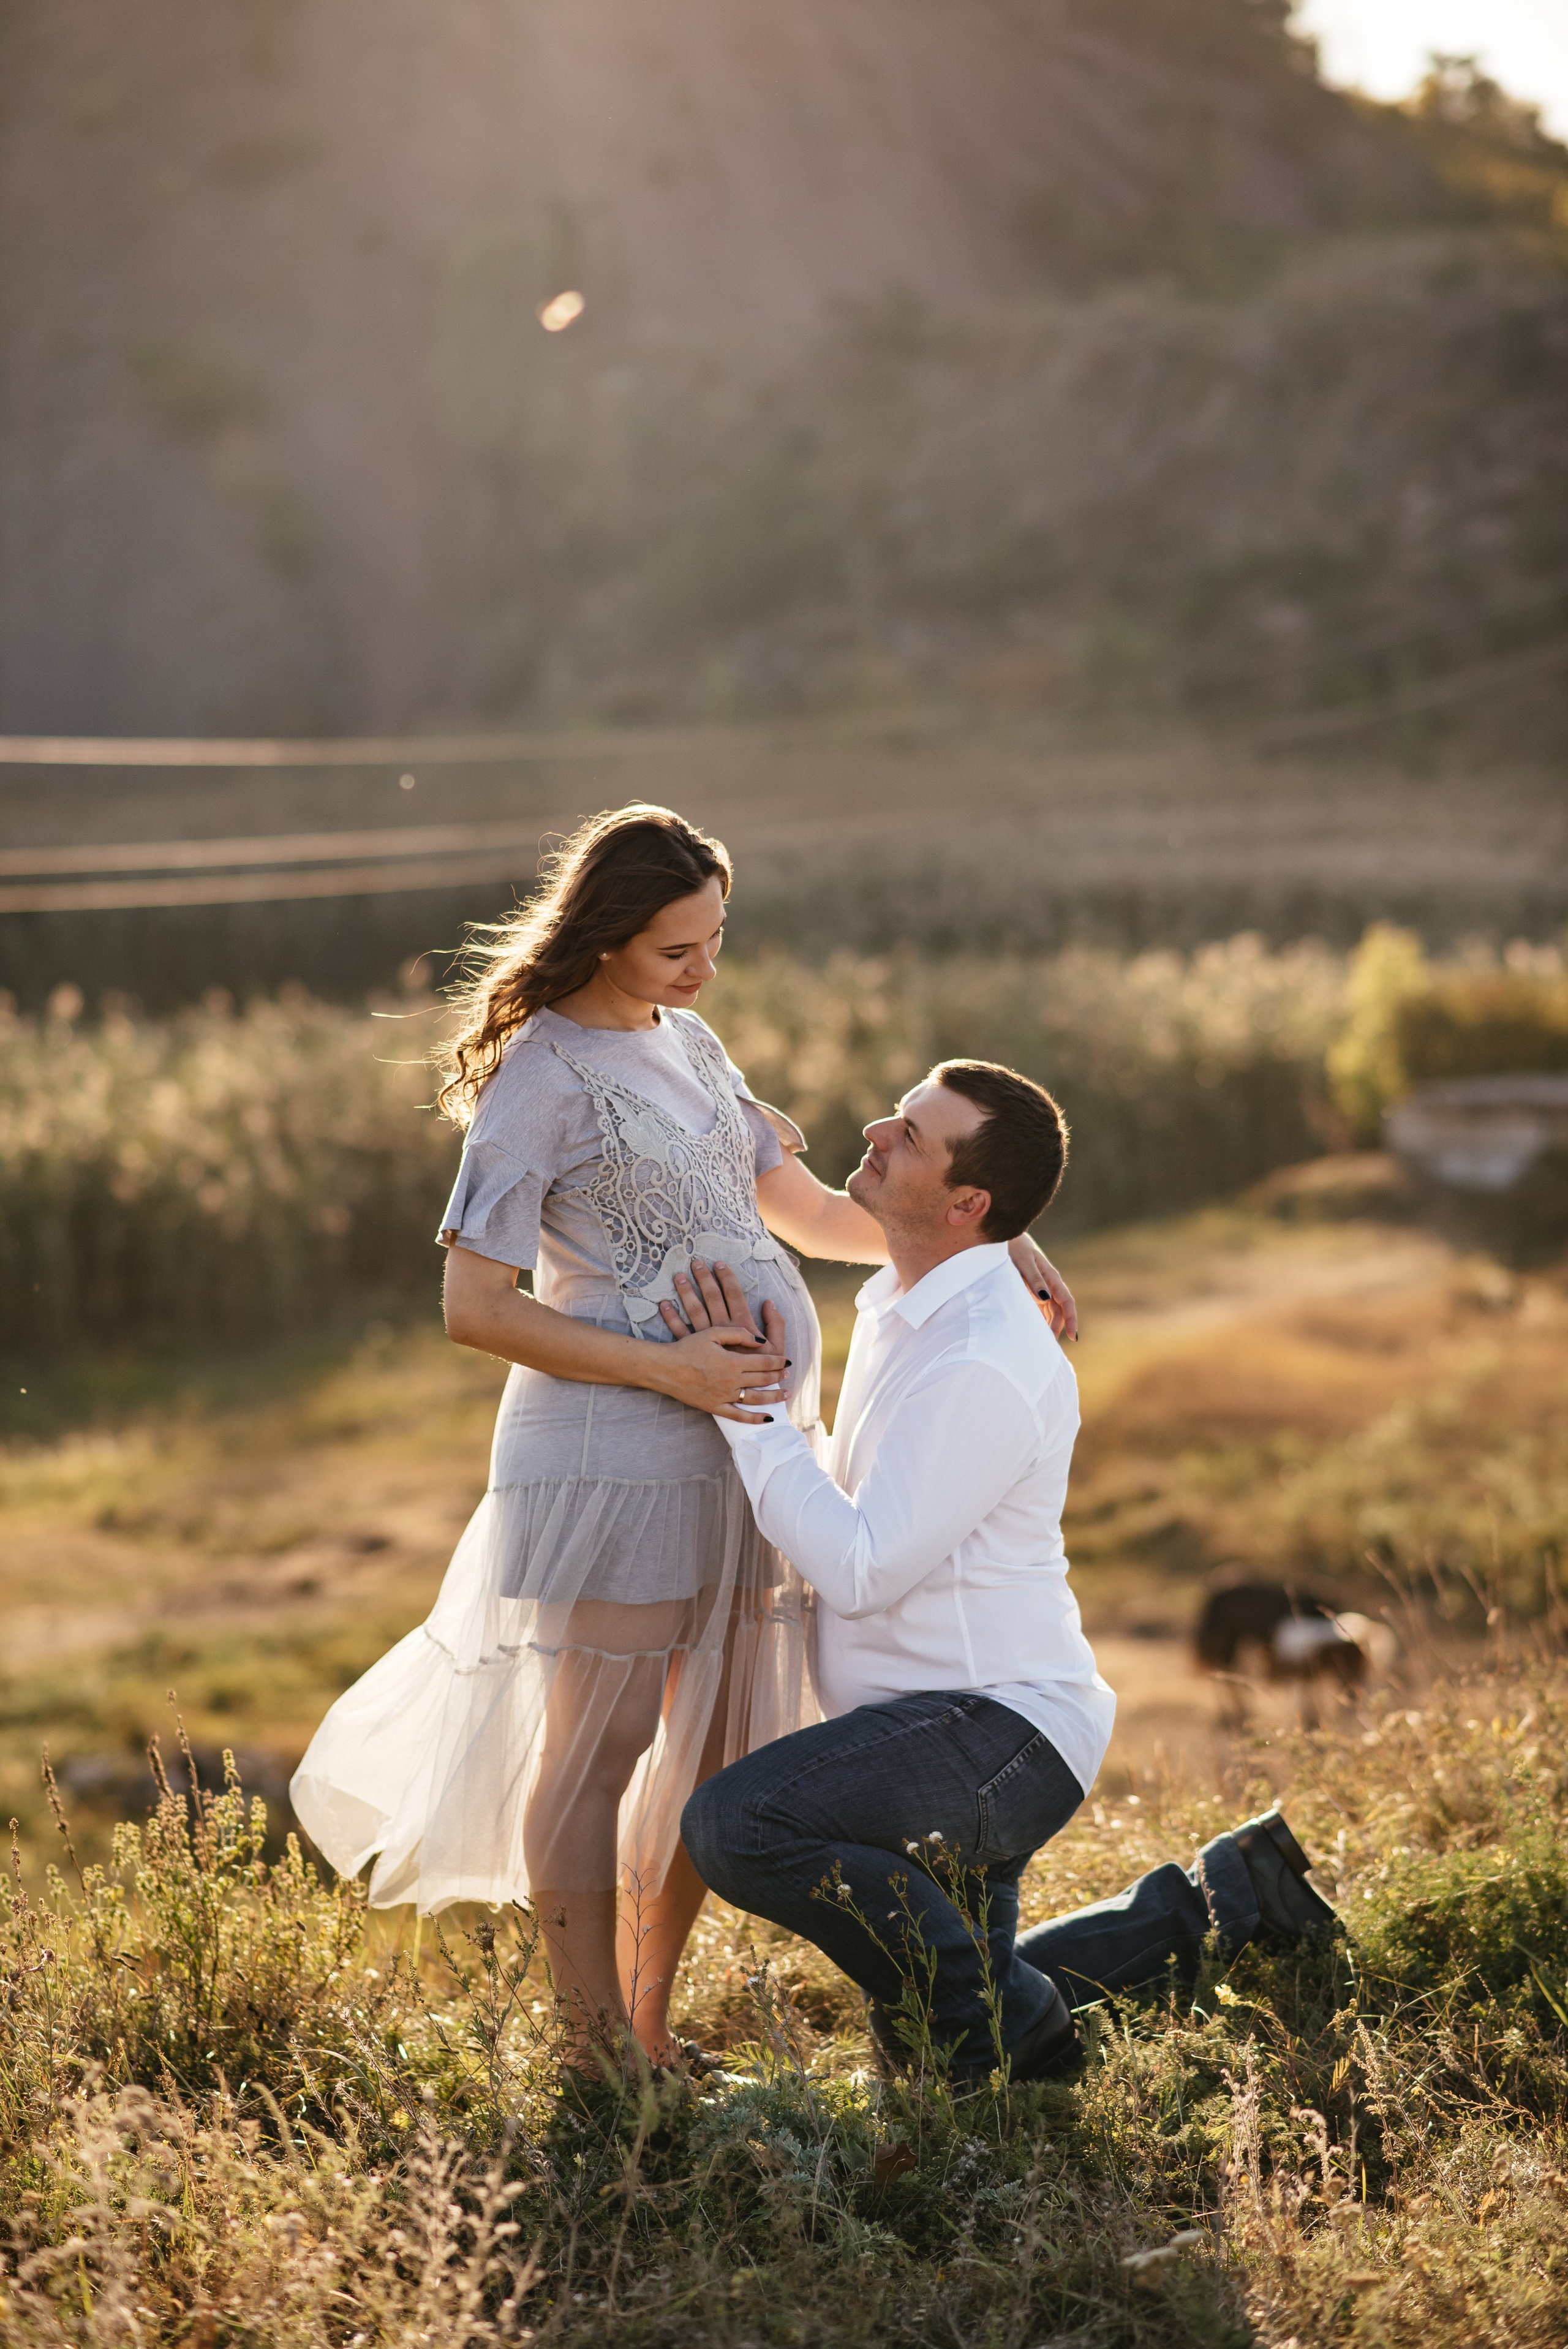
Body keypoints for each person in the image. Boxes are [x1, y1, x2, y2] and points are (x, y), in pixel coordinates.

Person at [291, 804, 1077, 2072]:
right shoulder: (536, 1080)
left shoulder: (692, 1045)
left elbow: (819, 1217)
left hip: (735, 1444)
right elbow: (474, 1308)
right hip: (613, 1444)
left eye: (714, 940)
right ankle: (590, 2041)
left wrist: (999, 1235)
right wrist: (677, 1372)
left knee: (712, 1746)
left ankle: (649, 2022)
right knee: (596, 1745)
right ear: (603, 937)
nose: (701, 970)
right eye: (675, 949)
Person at [676, 1061, 1335, 2083]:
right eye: (895, 1114)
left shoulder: (982, 1356)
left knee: (740, 1825)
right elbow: (834, 1218)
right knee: (964, 2020)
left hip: (994, 1733)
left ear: (966, 1202)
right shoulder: (912, 1294)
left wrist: (751, 1410)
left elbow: (860, 1570)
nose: (876, 1130)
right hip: (941, 1730)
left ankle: (993, 2035)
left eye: (911, 1134)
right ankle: (1233, 1895)